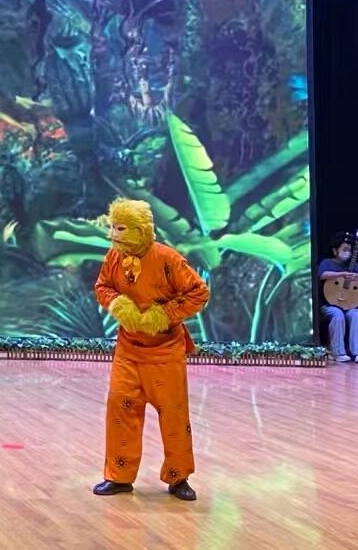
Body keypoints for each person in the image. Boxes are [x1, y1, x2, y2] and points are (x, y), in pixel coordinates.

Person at [92, 197, 209, 502]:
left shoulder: (168, 259)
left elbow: (199, 292)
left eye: (121, 229)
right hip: (129, 349)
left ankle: (178, 477)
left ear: (141, 230)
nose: (113, 234)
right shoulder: (114, 257)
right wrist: (120, 305)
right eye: (113, 227)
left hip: (165, 351)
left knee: (173, 414)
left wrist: (164, 314)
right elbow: (103, 286)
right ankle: (119, 476)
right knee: (120, 407)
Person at [318, 231, 358, 362]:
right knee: (337, 315)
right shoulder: (327, 263)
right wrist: (341, 274)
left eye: (349, 250)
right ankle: (338, 352)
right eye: (344, 249)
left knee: (355, 315)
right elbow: (322, 275)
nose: (347, 252)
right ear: (335, 250)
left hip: (349, 304)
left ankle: (357, 352)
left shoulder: (355, 266)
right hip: (329, 304)